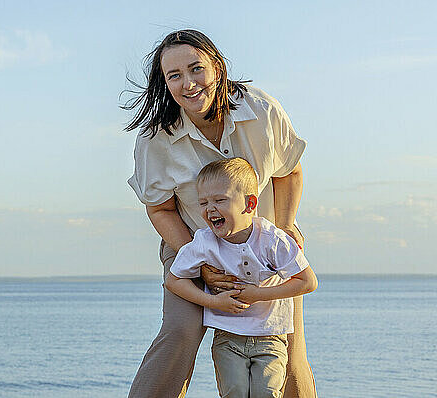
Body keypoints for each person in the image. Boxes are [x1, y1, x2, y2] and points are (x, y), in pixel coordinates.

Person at [124, 29, 316, 397]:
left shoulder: (260, 110)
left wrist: (284, 228)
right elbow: (160, 208)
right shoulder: (155, 138)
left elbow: (289, 170)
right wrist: (201, 260)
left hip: (264, 245)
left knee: (288, 349)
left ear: (217, 67)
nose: (188, 83)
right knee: (179, 334)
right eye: (174, 76)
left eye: (196, 69)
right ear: (165, 84)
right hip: (189, 242)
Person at [165, 158, 318, 398]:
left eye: (219, 200)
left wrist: (258, 295)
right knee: (234, 392)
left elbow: (308, 281)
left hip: (270, 335)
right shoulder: (204, 242)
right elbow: (173, 281)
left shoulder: (272, 239)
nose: (209, 208)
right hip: (228, 336)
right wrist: (214, 302)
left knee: (266, 393)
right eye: (203, 202)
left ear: (250, 204)